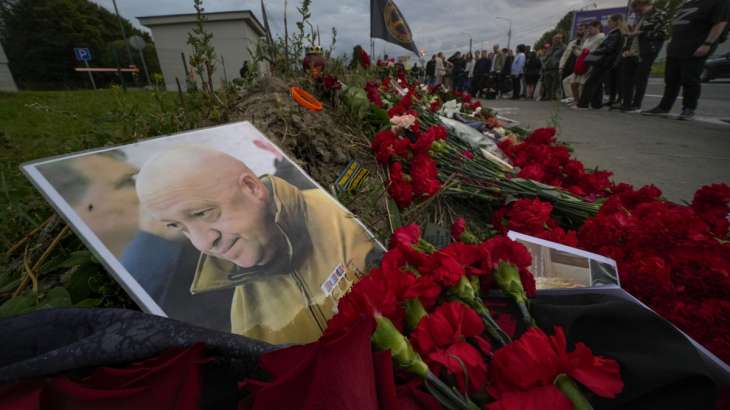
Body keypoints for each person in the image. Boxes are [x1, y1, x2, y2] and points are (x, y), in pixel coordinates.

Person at [135, 145, 379, 344]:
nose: (203, 243)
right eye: (178, 227)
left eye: (203, 213)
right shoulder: (241, 320)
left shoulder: (343, 218)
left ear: (252, 188)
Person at [643, 0, 727, 120]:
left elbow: (720, 23)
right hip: (676, 47)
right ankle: (663, 107)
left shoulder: (718, 3)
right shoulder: (687, 3)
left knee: (690, 79)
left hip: (695, 46)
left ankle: (688, 108)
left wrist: (708, 43)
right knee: (671, 80)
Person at [620, 0, 668, 112]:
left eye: (638, 9)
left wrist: (639, 32)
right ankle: (626, 104)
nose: (637, 12)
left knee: (640, 77)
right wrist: (628, 45)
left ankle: (636, 104)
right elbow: (633, 34)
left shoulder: (660, 14)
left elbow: (660, 34)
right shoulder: (640, 17)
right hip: (632, 50)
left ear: (643, 4)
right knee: (627, 77)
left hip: (647, 50)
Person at [577, 15, 626, 109]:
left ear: (615, 22)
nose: (608, 23)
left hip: (604, 61)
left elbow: (608, 48)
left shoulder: (615, 33)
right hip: (606, 61)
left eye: (610, 21)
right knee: (597, 83)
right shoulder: (616, 33)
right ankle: (596, 104)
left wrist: (594, 52)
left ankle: (583, 104)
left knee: (590, 82)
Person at [572, 21, 607, 107]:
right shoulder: (588, 39)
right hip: (583, 62)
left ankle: (584, 103)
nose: (589, 31)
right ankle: (578, 101)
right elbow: (582, 53)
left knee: (585, 84)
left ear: (597, 27)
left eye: (591, 28)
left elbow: (595, 51)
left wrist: (585, 51)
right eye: (588, 29)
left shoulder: (601, 37)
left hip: (591, 63)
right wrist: (575, 49)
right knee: (574, 83)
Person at [560, 23, 588, 103]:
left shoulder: (587, 42)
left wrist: (576, 49)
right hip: (569, 66)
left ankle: (578, 100)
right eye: (578, 30)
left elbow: (583, 54)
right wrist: (561, 66)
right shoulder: (572, 42)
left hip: (582, 67)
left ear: (586, 30)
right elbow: (565, 55)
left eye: (581, 30)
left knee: (577, 84)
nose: (578, 32)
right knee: (566, 81)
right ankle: (572, 98)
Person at [542, 34, 566, 100]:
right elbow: (545, 56)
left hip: (555, 68)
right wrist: (544, 64)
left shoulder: (564, 47)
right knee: (547, 84)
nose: (555, 40)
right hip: (547, 68)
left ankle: (553, 96)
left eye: (557, 38)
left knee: (555, 84)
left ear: (561, 39)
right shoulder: (550, 48)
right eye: (554, 39)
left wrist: (559, 64)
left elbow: (565, 57)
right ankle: (547, 96)